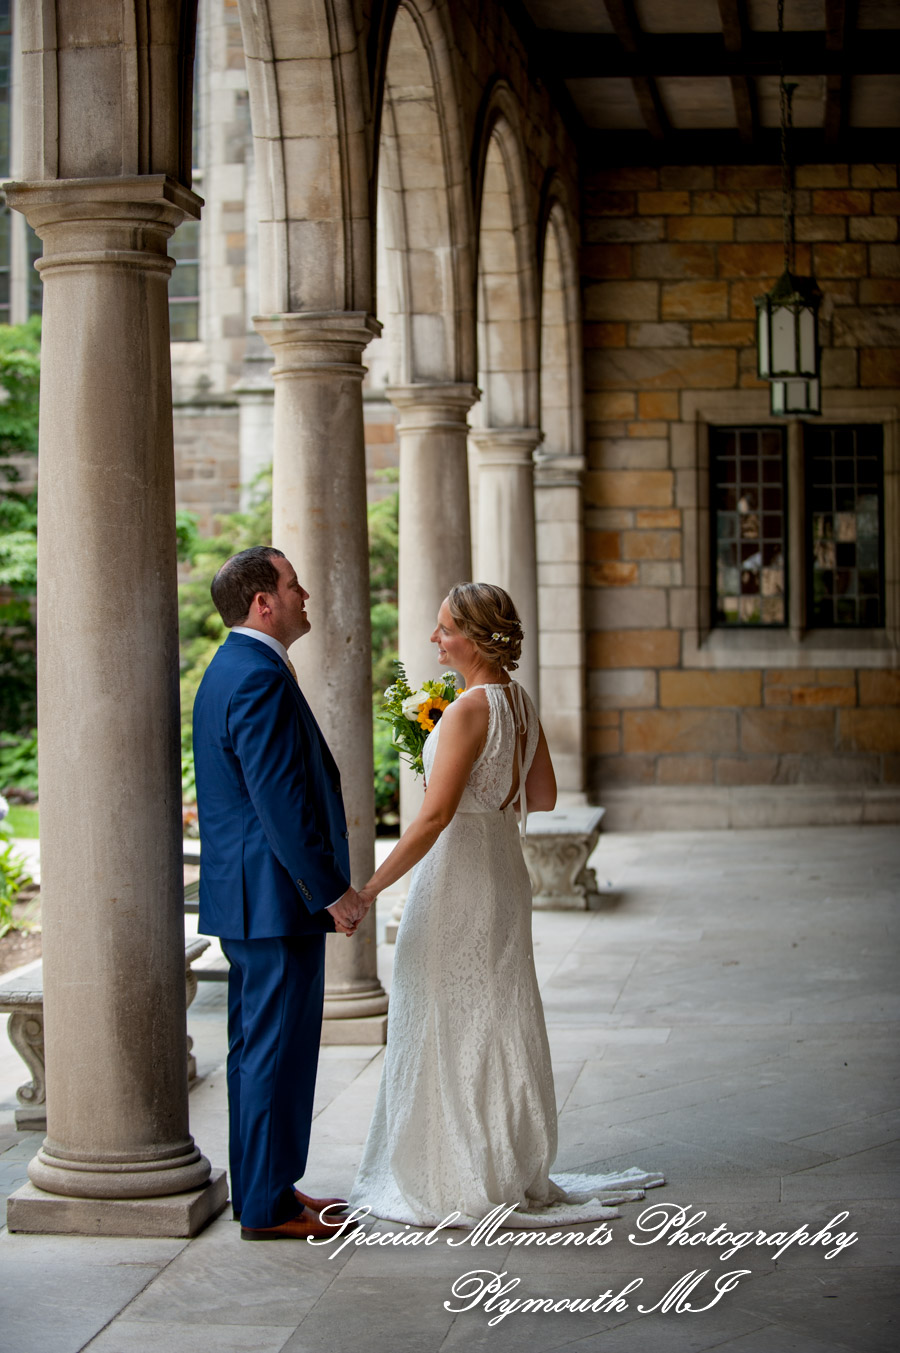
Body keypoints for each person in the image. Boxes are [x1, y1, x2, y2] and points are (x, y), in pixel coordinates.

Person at [349, 582, 663, 1226]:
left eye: (444, 630)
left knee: (440, 1007)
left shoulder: (467, 710)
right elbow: (541, 795)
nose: (435, 640)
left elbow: (434, 816)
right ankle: (503, 1160)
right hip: (500, 866)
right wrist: (487, 790)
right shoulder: (517, 702)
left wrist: (370, 889)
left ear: (477, 636)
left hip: (459, 869)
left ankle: (454, 1168)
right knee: (494, 1008)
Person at [193, 546, 371, 1241]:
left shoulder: (236, 667)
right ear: (263, 602)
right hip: (273, 899)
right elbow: (281, 802)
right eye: (293, 586)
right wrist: (333, 892)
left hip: (255, 899)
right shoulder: (259, 676)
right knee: (274, 1052)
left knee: (260, 1050)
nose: (306, 597)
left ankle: (269, 1189)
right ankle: (268, 1206)